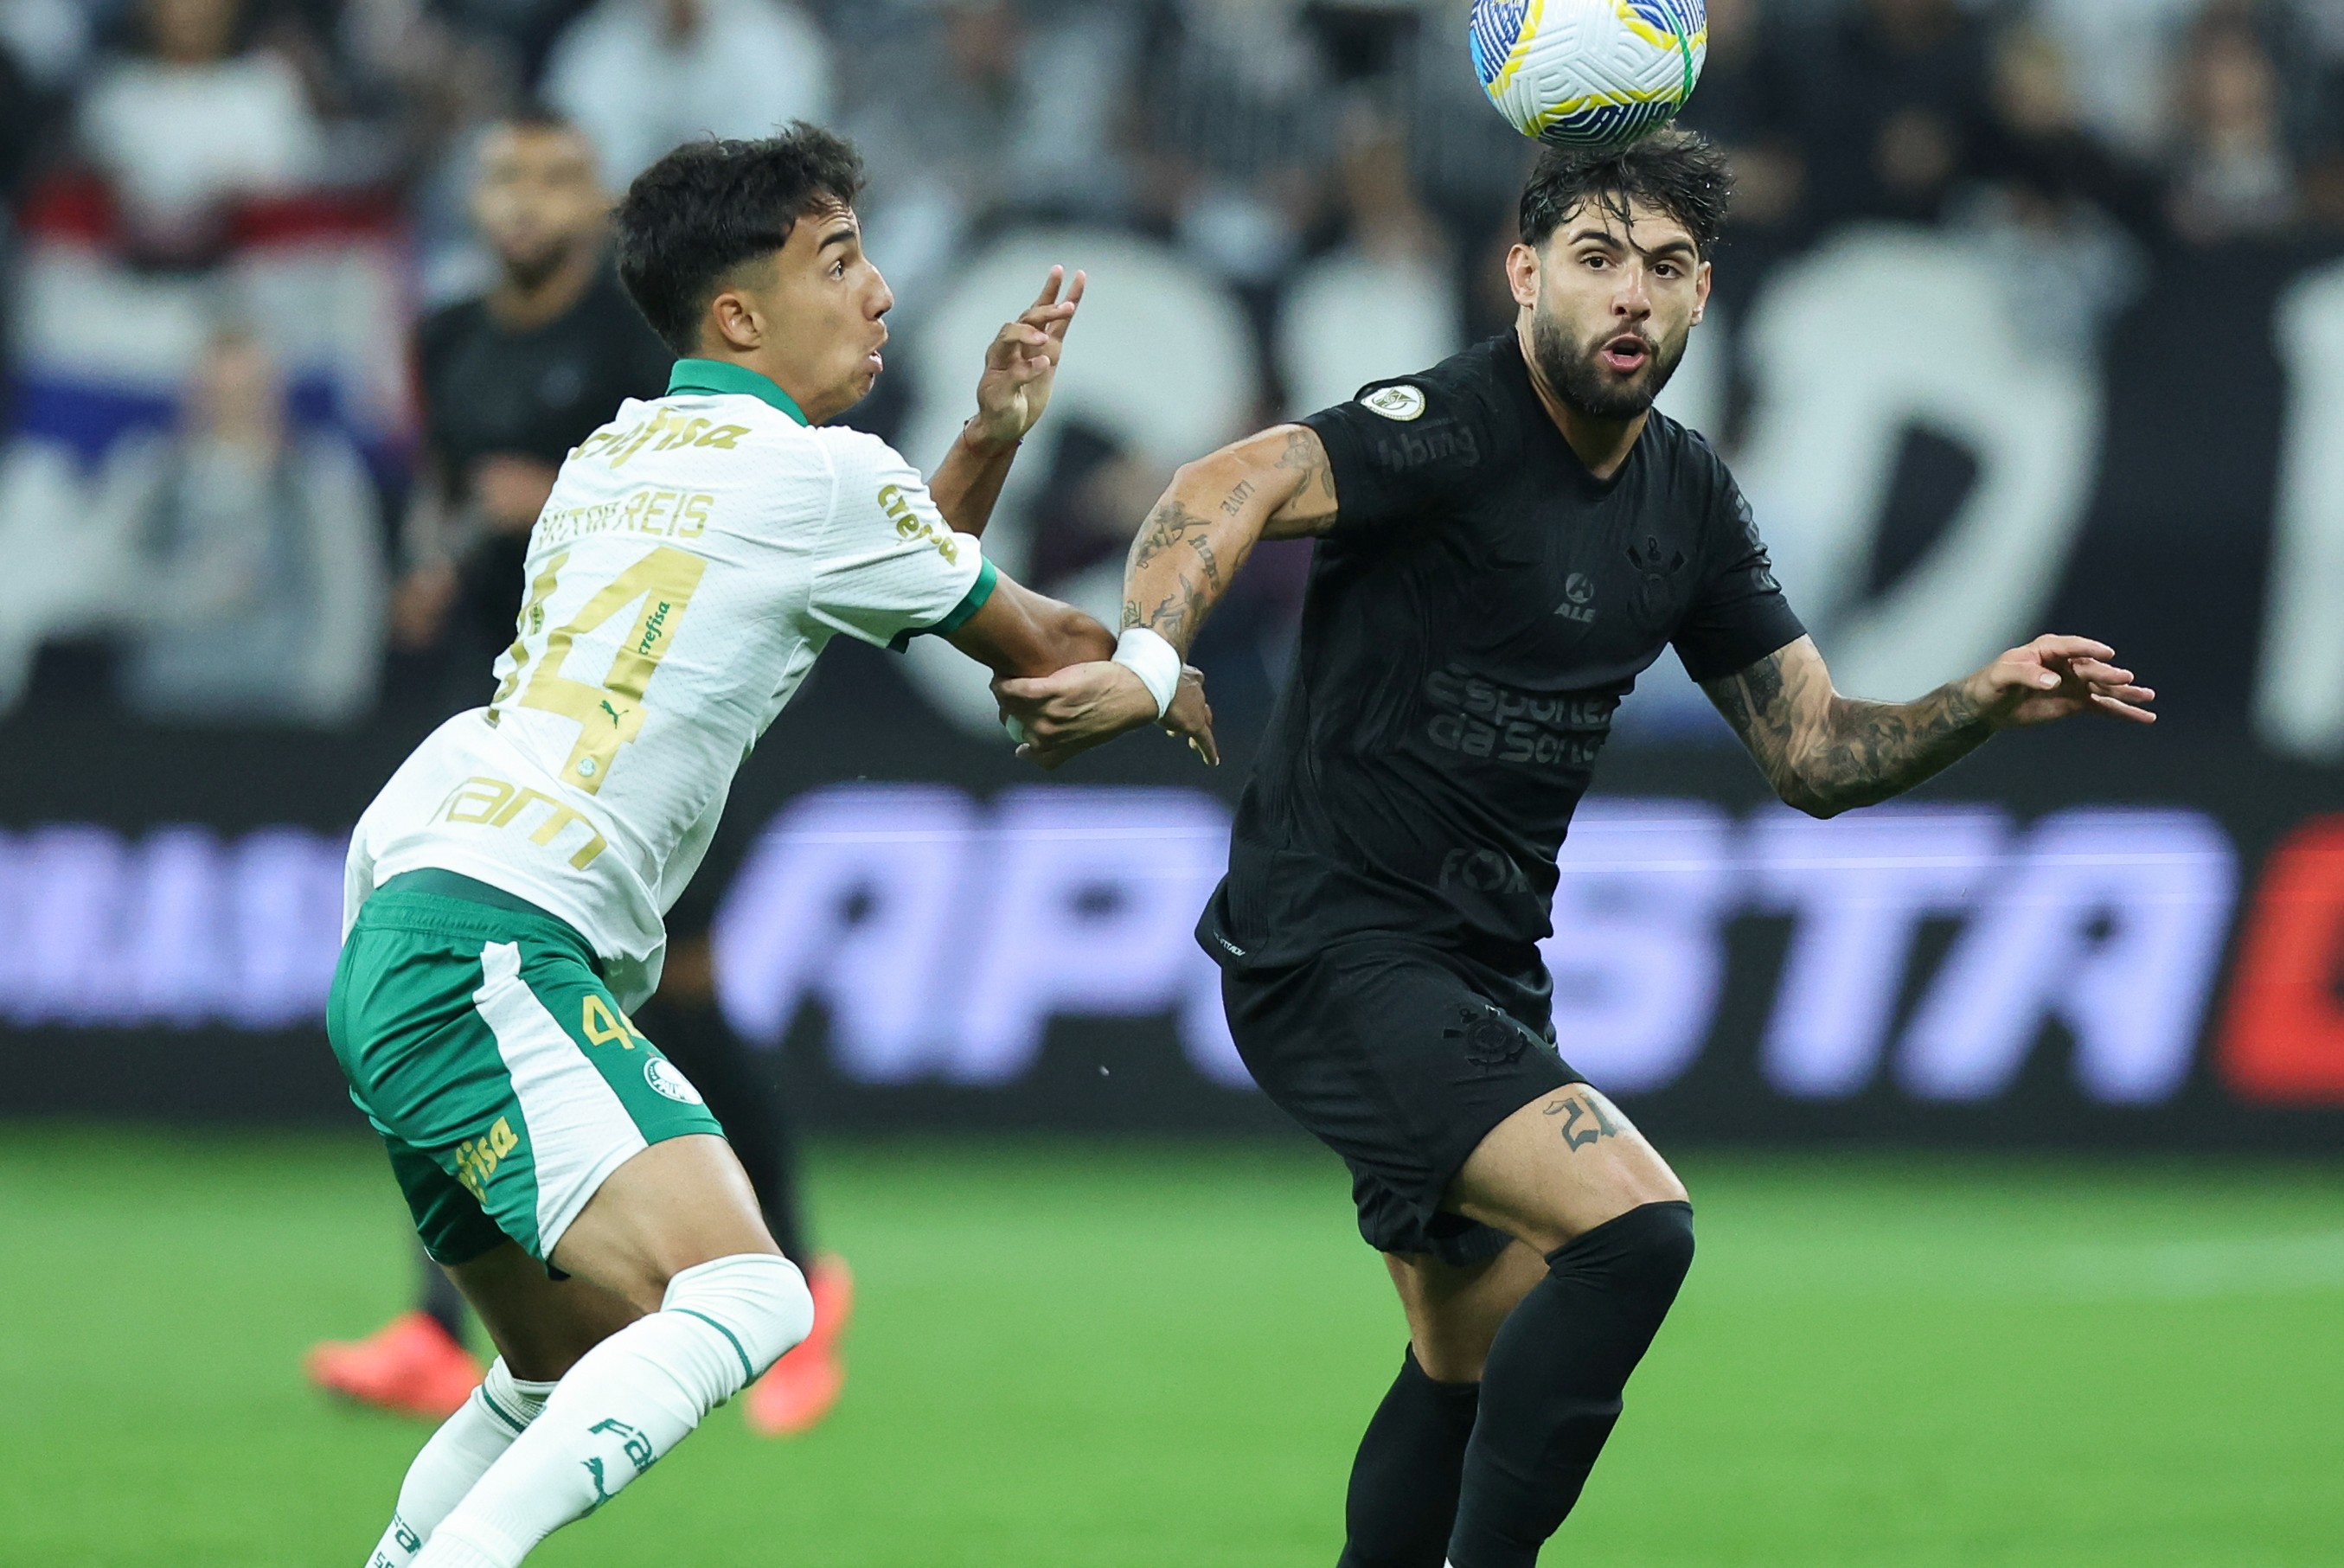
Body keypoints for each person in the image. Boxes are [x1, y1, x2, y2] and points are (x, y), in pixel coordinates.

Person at [996, 130, 2155, 1568]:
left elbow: (1811, 754)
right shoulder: (1453, 422)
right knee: (1635, 1228)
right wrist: (1153, 654)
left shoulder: (1687, 499)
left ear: (1703, 296)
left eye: (1665, 269)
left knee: (1460, 1358)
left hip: (1480, 968)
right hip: (1329, 944)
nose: (1632, 299)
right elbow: (1227, 480)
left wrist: (1976, 704)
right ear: (1523, 270)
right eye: (1598, 261)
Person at [332, 123, 1210, 1568]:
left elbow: (877, 557)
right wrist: (1166, 668)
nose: (878, 295)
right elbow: (1045, 645)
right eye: (839, 261)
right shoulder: (820, 477)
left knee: (560, 1369)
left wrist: (987, 435)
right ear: (738, 312)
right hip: (505, 937)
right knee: (756, 1297)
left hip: (409, 917)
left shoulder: (607, 461)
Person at [314, 105, 855, 1438]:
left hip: (641, 714)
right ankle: (442, 1317)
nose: (523, 199)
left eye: (554, 177)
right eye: (505, 172)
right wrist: (439, 560)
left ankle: (795, 1273)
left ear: (590, 203)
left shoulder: (632, 342)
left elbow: (691, 477)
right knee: (480, 1006)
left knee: (684, 994)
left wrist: (534, 490)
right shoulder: (445, 336)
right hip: (507, 705)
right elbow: (450, 492)